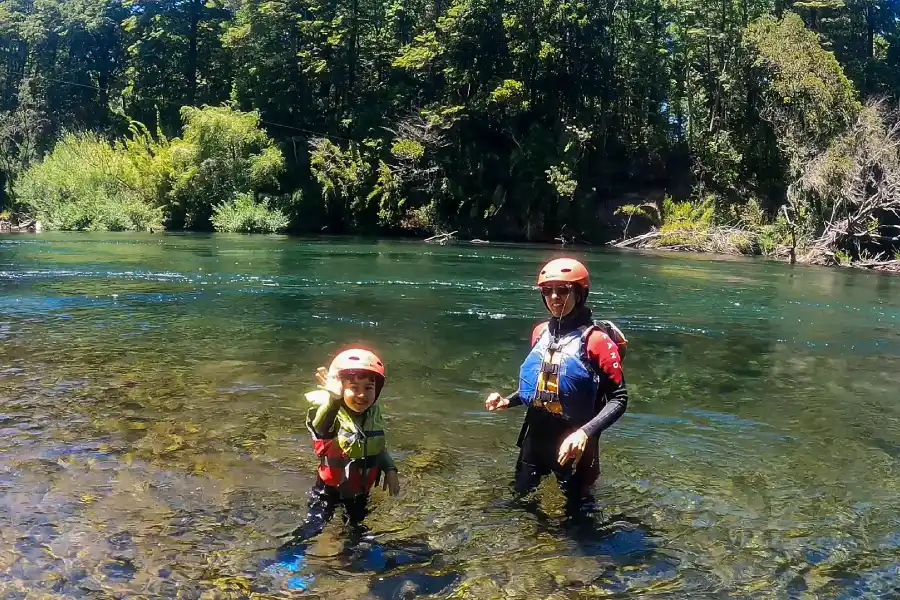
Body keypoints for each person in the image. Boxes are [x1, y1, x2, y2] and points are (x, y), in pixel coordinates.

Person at [484, 257, 629, 510]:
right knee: (520, 500)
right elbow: (544, 384)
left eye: (562, 290)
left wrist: (584, 433)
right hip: (536, 432)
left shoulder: (596, 340)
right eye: (547, 291)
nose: (554, 297)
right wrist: (508, 400)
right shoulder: (541, 332)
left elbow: (620, 398)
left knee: (579, 516)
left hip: (576, 437)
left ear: (580, 293)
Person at [290, 348, 401, 542]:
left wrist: (390, 469)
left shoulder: (372, 415)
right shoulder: (331, 414)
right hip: (328, 490)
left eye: (368, 388)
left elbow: (378, 448)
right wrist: (334, 400)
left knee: (357, 526)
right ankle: (292, 550)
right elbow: (321, 428)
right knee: (315, 524)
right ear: (340, 388)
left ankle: (352, 553)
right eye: (354, 387)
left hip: (359, 492)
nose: (361, 395)